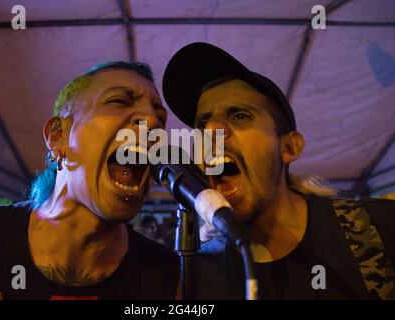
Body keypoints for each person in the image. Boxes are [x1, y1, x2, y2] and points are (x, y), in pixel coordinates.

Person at [162, 42, 395, 299]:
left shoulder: (379, 228)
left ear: (290, 147)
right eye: (203, 123)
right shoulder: (197, 276)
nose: (212, 132)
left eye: (239, 115)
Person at [0, 61, 179, 300]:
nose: (152, 121)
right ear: (58, 136)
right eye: (118, 101)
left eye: (160, 117)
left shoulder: (165, 276)